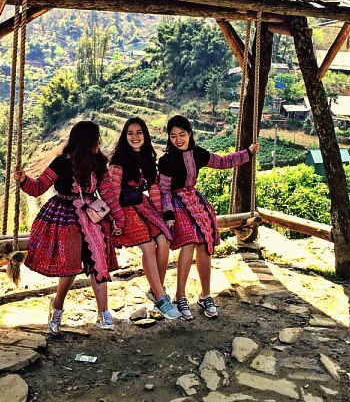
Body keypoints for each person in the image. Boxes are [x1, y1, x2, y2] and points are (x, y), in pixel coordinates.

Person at [13, 120, 125, 334]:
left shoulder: (98, 164)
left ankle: (103, 312)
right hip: (65, 219)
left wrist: (118, 219)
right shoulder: (61, 163)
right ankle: (57, 308)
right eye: (96, 139)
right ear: (88, 142)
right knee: (69, 265)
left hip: (91, 217)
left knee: (98, 260)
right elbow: (38, 188)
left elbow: (108, 194)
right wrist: (25, 179)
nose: (99, 143)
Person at [158, 115, 258, 320]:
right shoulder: (166, 161)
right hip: (175, 205)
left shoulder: (198, 154)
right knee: (188, 242)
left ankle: (205, 295)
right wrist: (168, 214)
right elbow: (164, 190)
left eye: (182, 134)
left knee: (205, 243)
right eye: (173, 136)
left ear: (190, 134)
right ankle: (180, 296)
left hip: (194, 200)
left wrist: (247, 153)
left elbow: (222, 161)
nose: (178, 140)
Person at [109, 117, 181, 320]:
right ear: (124, 136)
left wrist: (162, 215)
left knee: (164, 241)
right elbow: (112, 193)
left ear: (145, 135)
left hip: (143, 206)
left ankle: (156, 290)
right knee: (149, 246)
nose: (135, 137)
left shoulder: (148, 159)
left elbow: (155, 189)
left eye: (139, 132)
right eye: (130, 133)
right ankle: (161, 298)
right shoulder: (118, 162)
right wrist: (116, 219)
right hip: (124, 209)